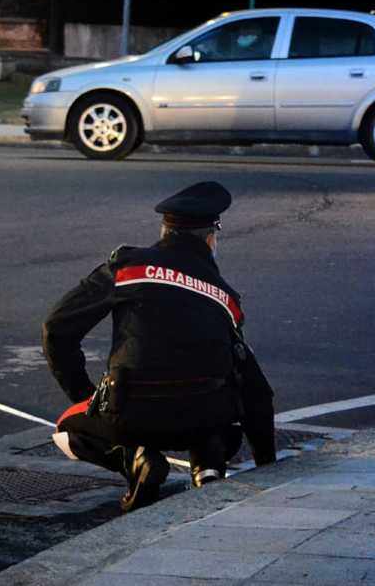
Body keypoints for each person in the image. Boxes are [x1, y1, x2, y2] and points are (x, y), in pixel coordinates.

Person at [42, 181, 276, 512]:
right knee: (214, 396)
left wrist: (85, 396)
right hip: (202, 419)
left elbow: (56, 328)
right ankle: (207, 469)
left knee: (67, 428)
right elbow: (256, 392)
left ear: (165, 230)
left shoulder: (126, 268)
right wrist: (268, 466)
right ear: (211, 238)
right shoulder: (226, 297)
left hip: (131, 416)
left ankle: (135, 459)